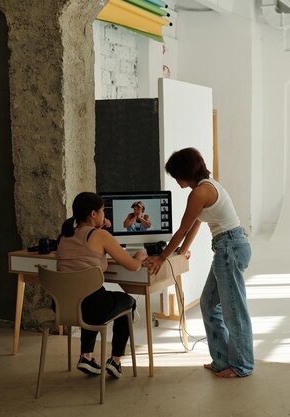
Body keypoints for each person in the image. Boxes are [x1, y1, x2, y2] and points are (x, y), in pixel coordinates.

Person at [144, 147, 253, 378]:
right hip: (229, 246)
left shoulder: (200, 193)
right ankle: (222, 361)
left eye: (175, 175)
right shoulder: (207, 187)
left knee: (234, 311)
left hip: (229, 248)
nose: (176, 180)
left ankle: (242, 366)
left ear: (184, 172)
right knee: (209, 304)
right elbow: (196, 223)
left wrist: (162, 257)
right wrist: (183, 251)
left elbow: (183, 228)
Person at [56, 191, 147, 378]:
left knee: (89, 296)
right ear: (93, 214)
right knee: (128, 302)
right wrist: (139, 256)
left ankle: (86, 356)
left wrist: (100, 228)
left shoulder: (64, 236)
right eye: (103, 211)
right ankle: (115, 361)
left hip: (64, 307)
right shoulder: (100, 236)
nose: (105, 215)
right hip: (92, 308)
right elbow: (132, 266)